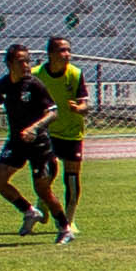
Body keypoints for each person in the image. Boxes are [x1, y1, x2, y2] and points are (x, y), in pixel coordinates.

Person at [0, 42, 58, 234]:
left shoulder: (34, 85)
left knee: (43, 189)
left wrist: (34, 128)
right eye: (21, 62)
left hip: (38, 142)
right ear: (10, 63)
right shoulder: (2, 85)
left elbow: (53, 111)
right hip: (15, 141)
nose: (26, 65)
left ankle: (64, 226)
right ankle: (30, 211)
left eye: (27, 61)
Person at [37, 35, 90, 241]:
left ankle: (69, 220)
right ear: (50, 54)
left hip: (71, 132)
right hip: (47, 132)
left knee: (72, 177)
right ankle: (44, 202)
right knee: (46, 174)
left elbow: (85, 104)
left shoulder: (75, 74)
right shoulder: (37, 74)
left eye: (68, 50)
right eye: (61, 50)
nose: (66, 54)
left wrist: (79, 108)